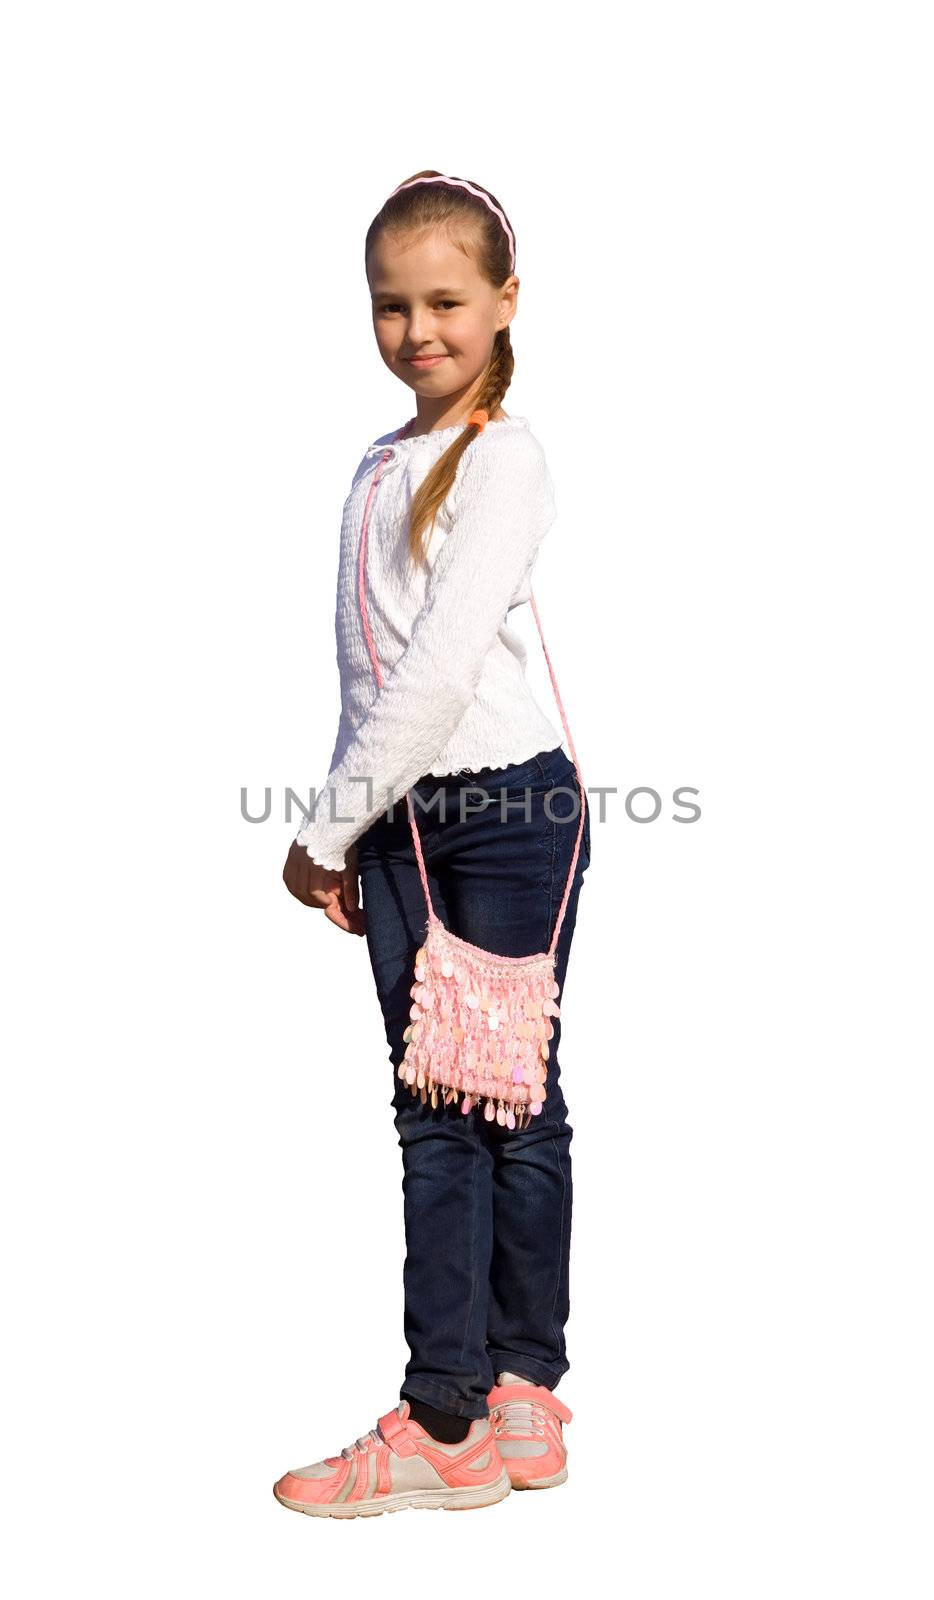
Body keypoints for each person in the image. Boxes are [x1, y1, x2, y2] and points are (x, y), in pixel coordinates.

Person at [274, 170, 591, 1519]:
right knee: (493, 1104)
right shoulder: (379, 459)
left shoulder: (504, 459)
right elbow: (370, 671)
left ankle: (455, 1416)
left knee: (464, 1112)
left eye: (446, 301)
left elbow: (443, 667)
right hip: (408, 820)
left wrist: (319, 828)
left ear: (504, 302)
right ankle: (513, 1395)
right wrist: (361, 823)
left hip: (501, 812)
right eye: (391, 305)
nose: (417, 331)